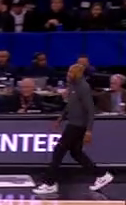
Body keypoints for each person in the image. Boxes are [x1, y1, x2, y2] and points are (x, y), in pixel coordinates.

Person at [33, 63, 114, 195]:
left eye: (71, 72)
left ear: (78, 74)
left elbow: (90, 110)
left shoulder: (83, 87)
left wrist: (89, 130)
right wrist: (61, 117)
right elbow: (71, 104)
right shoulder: (73, 86)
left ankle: (49, 183)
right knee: (76, 153)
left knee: (59, 151)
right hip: (73, 123)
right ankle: (102, 175)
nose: (68, 74)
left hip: (78, 125)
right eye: (68, 72)